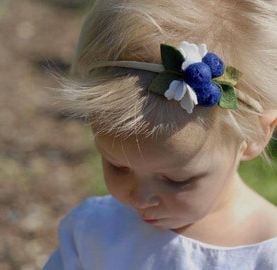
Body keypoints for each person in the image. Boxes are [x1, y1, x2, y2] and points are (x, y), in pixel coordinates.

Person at [43, 0, 277, 269]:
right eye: (117, 166)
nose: (141, 199)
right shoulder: (94, 232)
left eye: (176, 180)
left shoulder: (267, 254)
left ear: (256, 136)